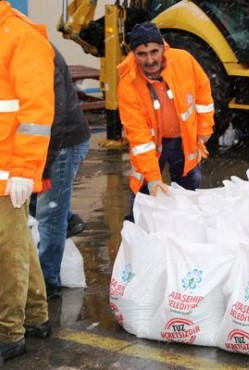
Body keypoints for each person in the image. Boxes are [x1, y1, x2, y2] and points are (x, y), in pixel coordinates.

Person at [0, 1, 54, 363]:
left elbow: (37, 113)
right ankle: (36, 316)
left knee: (8, 248)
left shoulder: (20, 36)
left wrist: (24, 169)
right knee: (16, 240)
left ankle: (9, 332)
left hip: (10, 169)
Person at [117, 22, 215, 219]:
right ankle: (139, 235)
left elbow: (202, 91)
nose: (150, 59)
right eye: (142, 54)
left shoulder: (183, 61)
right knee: (143, 200)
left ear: (164, 47)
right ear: (133, 55)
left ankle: (186, 235)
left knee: (188, 197)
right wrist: (153, 178)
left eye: (154, 51)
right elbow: (139, 137)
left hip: (184, 142)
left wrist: (204, 128)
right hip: (152, 149)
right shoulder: (128, 85)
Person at [31, 46, 91, 300]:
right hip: (40, 142)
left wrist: (43, 171)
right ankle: (67, 219)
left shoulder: (34, 52)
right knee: (33, 203)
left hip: (61, 143)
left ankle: (48, 281)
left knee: (48, 213)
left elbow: (55, 117)